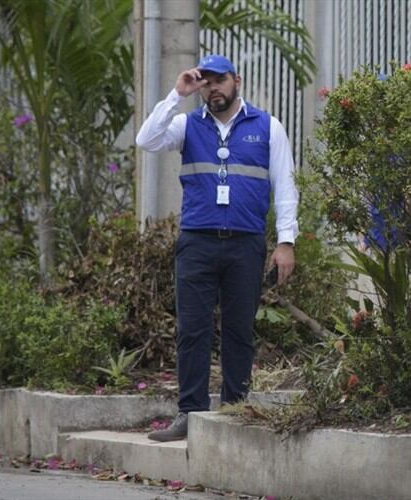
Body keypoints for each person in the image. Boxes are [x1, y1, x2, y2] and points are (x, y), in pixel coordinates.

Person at [136, 54, 298, 441]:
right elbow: (146, 139)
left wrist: (286, 241)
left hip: (246, 243)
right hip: (197, 242)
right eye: (205, 82)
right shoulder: (186, 125)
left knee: (240, 330)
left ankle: (234, 410)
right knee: (192, 331)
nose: (212, 88)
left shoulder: (267, 126)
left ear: (236, 81)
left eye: (219, 80)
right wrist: (178, 93)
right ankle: (190, 414)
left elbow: (286, 186)